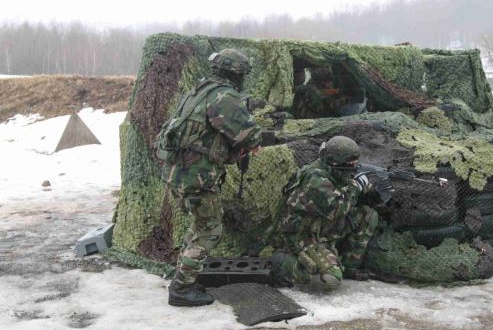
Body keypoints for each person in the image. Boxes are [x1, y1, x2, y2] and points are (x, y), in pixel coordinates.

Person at [157, 49, 262, 307]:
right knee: (210, 229)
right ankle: (182, 289)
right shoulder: (223, 96)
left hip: (180, 172)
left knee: (200, 225)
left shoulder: (199, 91)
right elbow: (249, 135)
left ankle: (185, 276)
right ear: (236, 74)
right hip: (197, 176)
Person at [270, 135, 379, 293]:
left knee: (368, 215)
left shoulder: (334, 172)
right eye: (349, 166)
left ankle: (349, 266)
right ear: (335, 163)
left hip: (325, 230)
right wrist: (357, 185)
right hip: (303, 238)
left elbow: (353, 195)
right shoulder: (314, 178)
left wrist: (375, 190)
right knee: (329, 280)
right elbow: (337, 208)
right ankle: (281, 263)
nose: (353, 169)